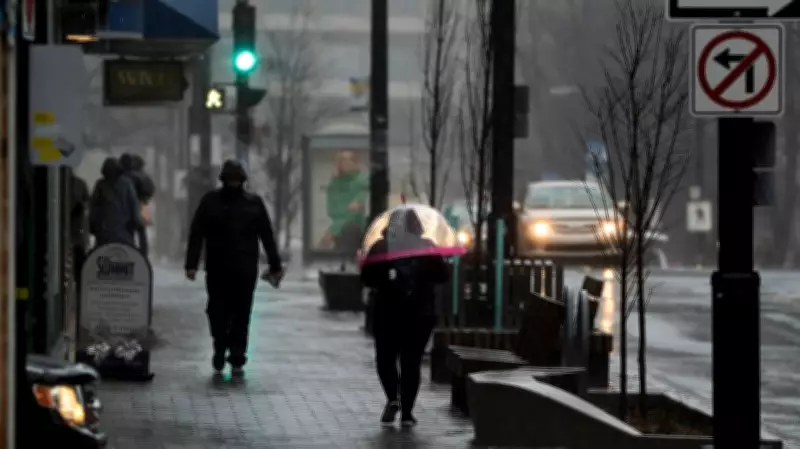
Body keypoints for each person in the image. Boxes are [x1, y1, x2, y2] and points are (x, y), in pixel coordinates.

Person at [184, 160, 284, 376]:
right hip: (225, 267)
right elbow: (196, 233)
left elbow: (266, 236)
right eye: (231, 179)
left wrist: (276, 264)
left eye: (236, 180)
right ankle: (223, 348)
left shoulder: (248, 203)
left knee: (238, 313)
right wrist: (191, 264)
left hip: (239, 268)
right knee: (220, 311)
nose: (234, 183)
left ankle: (235, 353)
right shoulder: (214, 202)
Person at [360, 209, 450, 427]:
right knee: (411, 362)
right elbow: (443, 276)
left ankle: (393, 398)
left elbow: (367, 279)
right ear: (417, 226)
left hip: (387, 313)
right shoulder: (427, 247)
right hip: (420, 315)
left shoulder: (380, 247)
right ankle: (408, 413)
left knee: (385, 360)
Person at [320, 150, 369, 251]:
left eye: (349, 160)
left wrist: (333, 231)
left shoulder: (364, 181)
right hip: (340, 232)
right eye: (342, 160)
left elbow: (356, 212)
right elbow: (333, 211)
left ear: (356, 163)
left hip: (359, 231)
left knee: (350, 230)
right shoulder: (334, 184)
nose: (346, 163)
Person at [89, 157, 142, 247]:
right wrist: (136, 224)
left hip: (104, 235)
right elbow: (134, 207)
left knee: (103, 256)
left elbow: (94, 209)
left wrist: (93, 227)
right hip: (125, 234)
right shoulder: (127, 185)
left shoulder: (101, 185)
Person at [119, 153, 156, 255]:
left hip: (126, 207)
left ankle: (130, 252)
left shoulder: (124, 176)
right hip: (142, 205)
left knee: (128, 230)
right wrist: (144, 199)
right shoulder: (144, 176)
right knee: (141, 232)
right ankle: (143, 255)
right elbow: (151, 190)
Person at [70, 171, 90, 295]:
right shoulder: (80, 183)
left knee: (78, 264)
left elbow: (87, 203)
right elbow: (87, 203)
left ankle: (79, 290)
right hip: (77, 234)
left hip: (76, 233)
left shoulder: (80, 183)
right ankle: (79, 291)